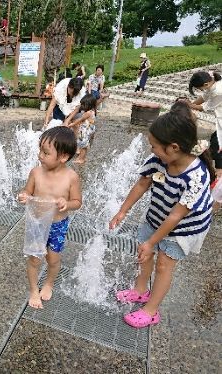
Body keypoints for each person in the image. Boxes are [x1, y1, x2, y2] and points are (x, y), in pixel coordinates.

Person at [109, 109, 214, 328]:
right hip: (157, 216)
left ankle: (151, 310)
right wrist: (122, 211)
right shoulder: (159, 159)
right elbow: (142, 183)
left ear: (174, 147)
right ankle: (139, 290)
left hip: (184, 227)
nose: (151, 149)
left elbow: (177, 215)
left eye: (154, 145)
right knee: (144, 254)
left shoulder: (197, 176)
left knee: (164, 266)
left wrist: (152, 242)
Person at [18, 126, 82, 309]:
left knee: (53, 259)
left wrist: (67, 204)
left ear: (63, 157)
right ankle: (32, 290)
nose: (40, 156)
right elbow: (26, 191)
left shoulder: (71, 177)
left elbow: (77, 202)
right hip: (37, 223)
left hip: (57, 225)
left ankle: (48, 283)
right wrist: (23, 196)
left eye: (46, 153)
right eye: (40, 150)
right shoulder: (36, 173)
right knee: (34, 259)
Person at [183, 71, 222, 180]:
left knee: (217, 146)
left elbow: (205, 107)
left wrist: (189, 105)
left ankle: (219, 174)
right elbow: (204, 97)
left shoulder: (218, 91)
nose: (200, 90)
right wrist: (190, 105)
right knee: (215, 144)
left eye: (199, 88)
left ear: (205, 85)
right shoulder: (211, 80)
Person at [66, 94, 98, 164]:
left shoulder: (88, 113)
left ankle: (81, 159)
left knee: (83, 146)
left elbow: (80, 119)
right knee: (84, 145)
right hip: (89, 130)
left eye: (83, 104)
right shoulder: (93, 111)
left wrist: (72, 124)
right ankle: (82, 157)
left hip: (85, 131)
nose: (82, 106)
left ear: (89, 104)